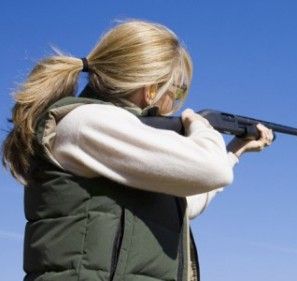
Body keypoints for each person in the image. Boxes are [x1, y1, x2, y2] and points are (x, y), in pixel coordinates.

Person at [2, 20, 273, 281]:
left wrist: (233, 154)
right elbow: (212, 169)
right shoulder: (87, 122)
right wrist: (201, 126)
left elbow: (184, 203)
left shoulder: (111, 133)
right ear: (150, 90)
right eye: (177, 92)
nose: (177, 103)